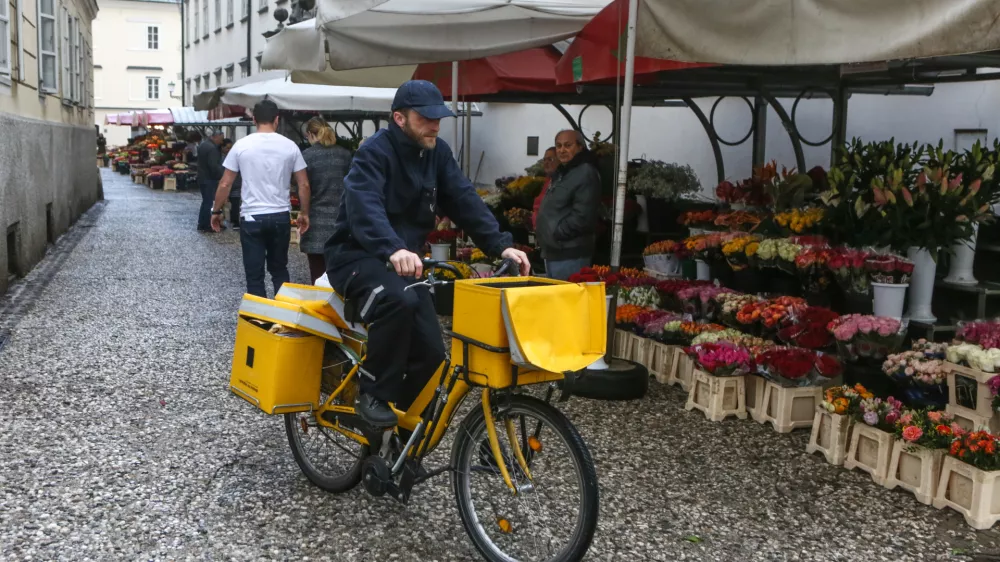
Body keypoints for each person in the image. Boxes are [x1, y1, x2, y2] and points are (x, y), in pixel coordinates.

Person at [324, 80, 530, 427]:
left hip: (405, 266)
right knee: (397, 301)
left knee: (434, 356)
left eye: (439, 118)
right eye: (426, 118)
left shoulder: (437, 153)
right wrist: (393, 248)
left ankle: (398, 435)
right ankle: (372, 394)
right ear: (399, 118)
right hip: (356, 257)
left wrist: (500, 245)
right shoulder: (374, 152)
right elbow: (364, 206)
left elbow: (464, 199)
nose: (435, 125)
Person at [210, 100, 311, 298]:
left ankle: (259, 314)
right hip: (280, 215)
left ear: (254, 119)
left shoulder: (241, 145)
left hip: (252, 216)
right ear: (277, 119)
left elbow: (225, 183)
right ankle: (283, 312)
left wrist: (216, 211)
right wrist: (304, 213)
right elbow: (304, 184)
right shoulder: (290, 146)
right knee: (279, 269)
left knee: (254, 273)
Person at [535, 130, 602, 281]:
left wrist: (557, 233)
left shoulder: (585, 172)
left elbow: (583, 216)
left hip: (569, 253)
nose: (562, 150)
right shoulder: (564, 172)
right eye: (558, 146)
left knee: (565, 295)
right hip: (554, 251)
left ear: (580, 147)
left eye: (568, 145)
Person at [300, 117, 352, 283]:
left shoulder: (307, 156)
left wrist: (303, 212)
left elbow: (302, 186)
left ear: (310, 134)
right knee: (340, 275)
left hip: (315, 222)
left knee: (317, 274)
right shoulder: (345, 155)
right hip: (341, 222)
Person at [197, 131, 226, 232]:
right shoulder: (212, 148)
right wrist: (221, 176)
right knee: (208, 202)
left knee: (206, 201)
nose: (221, 142)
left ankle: (202, 223)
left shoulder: (203, 145)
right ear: (216, 137)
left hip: (202, 177)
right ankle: (205, 224)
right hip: (209, 179)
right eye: (221, 139)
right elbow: (214, 166)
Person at [531, 146, 559, 230]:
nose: (546, 163)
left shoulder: (562, 182)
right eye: (544, 160)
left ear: (559, 160)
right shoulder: (548, 180)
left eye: (550, 159)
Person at [221, 139, 242, 231]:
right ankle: (222, 220)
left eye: (230, 148)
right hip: (225, 185)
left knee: (235, 204)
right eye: (227, 148)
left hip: (236, 184)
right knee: (222, 203)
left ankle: (235, 222)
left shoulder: (236, 158)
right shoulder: (220, 158)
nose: (229, 150)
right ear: (222, 148)